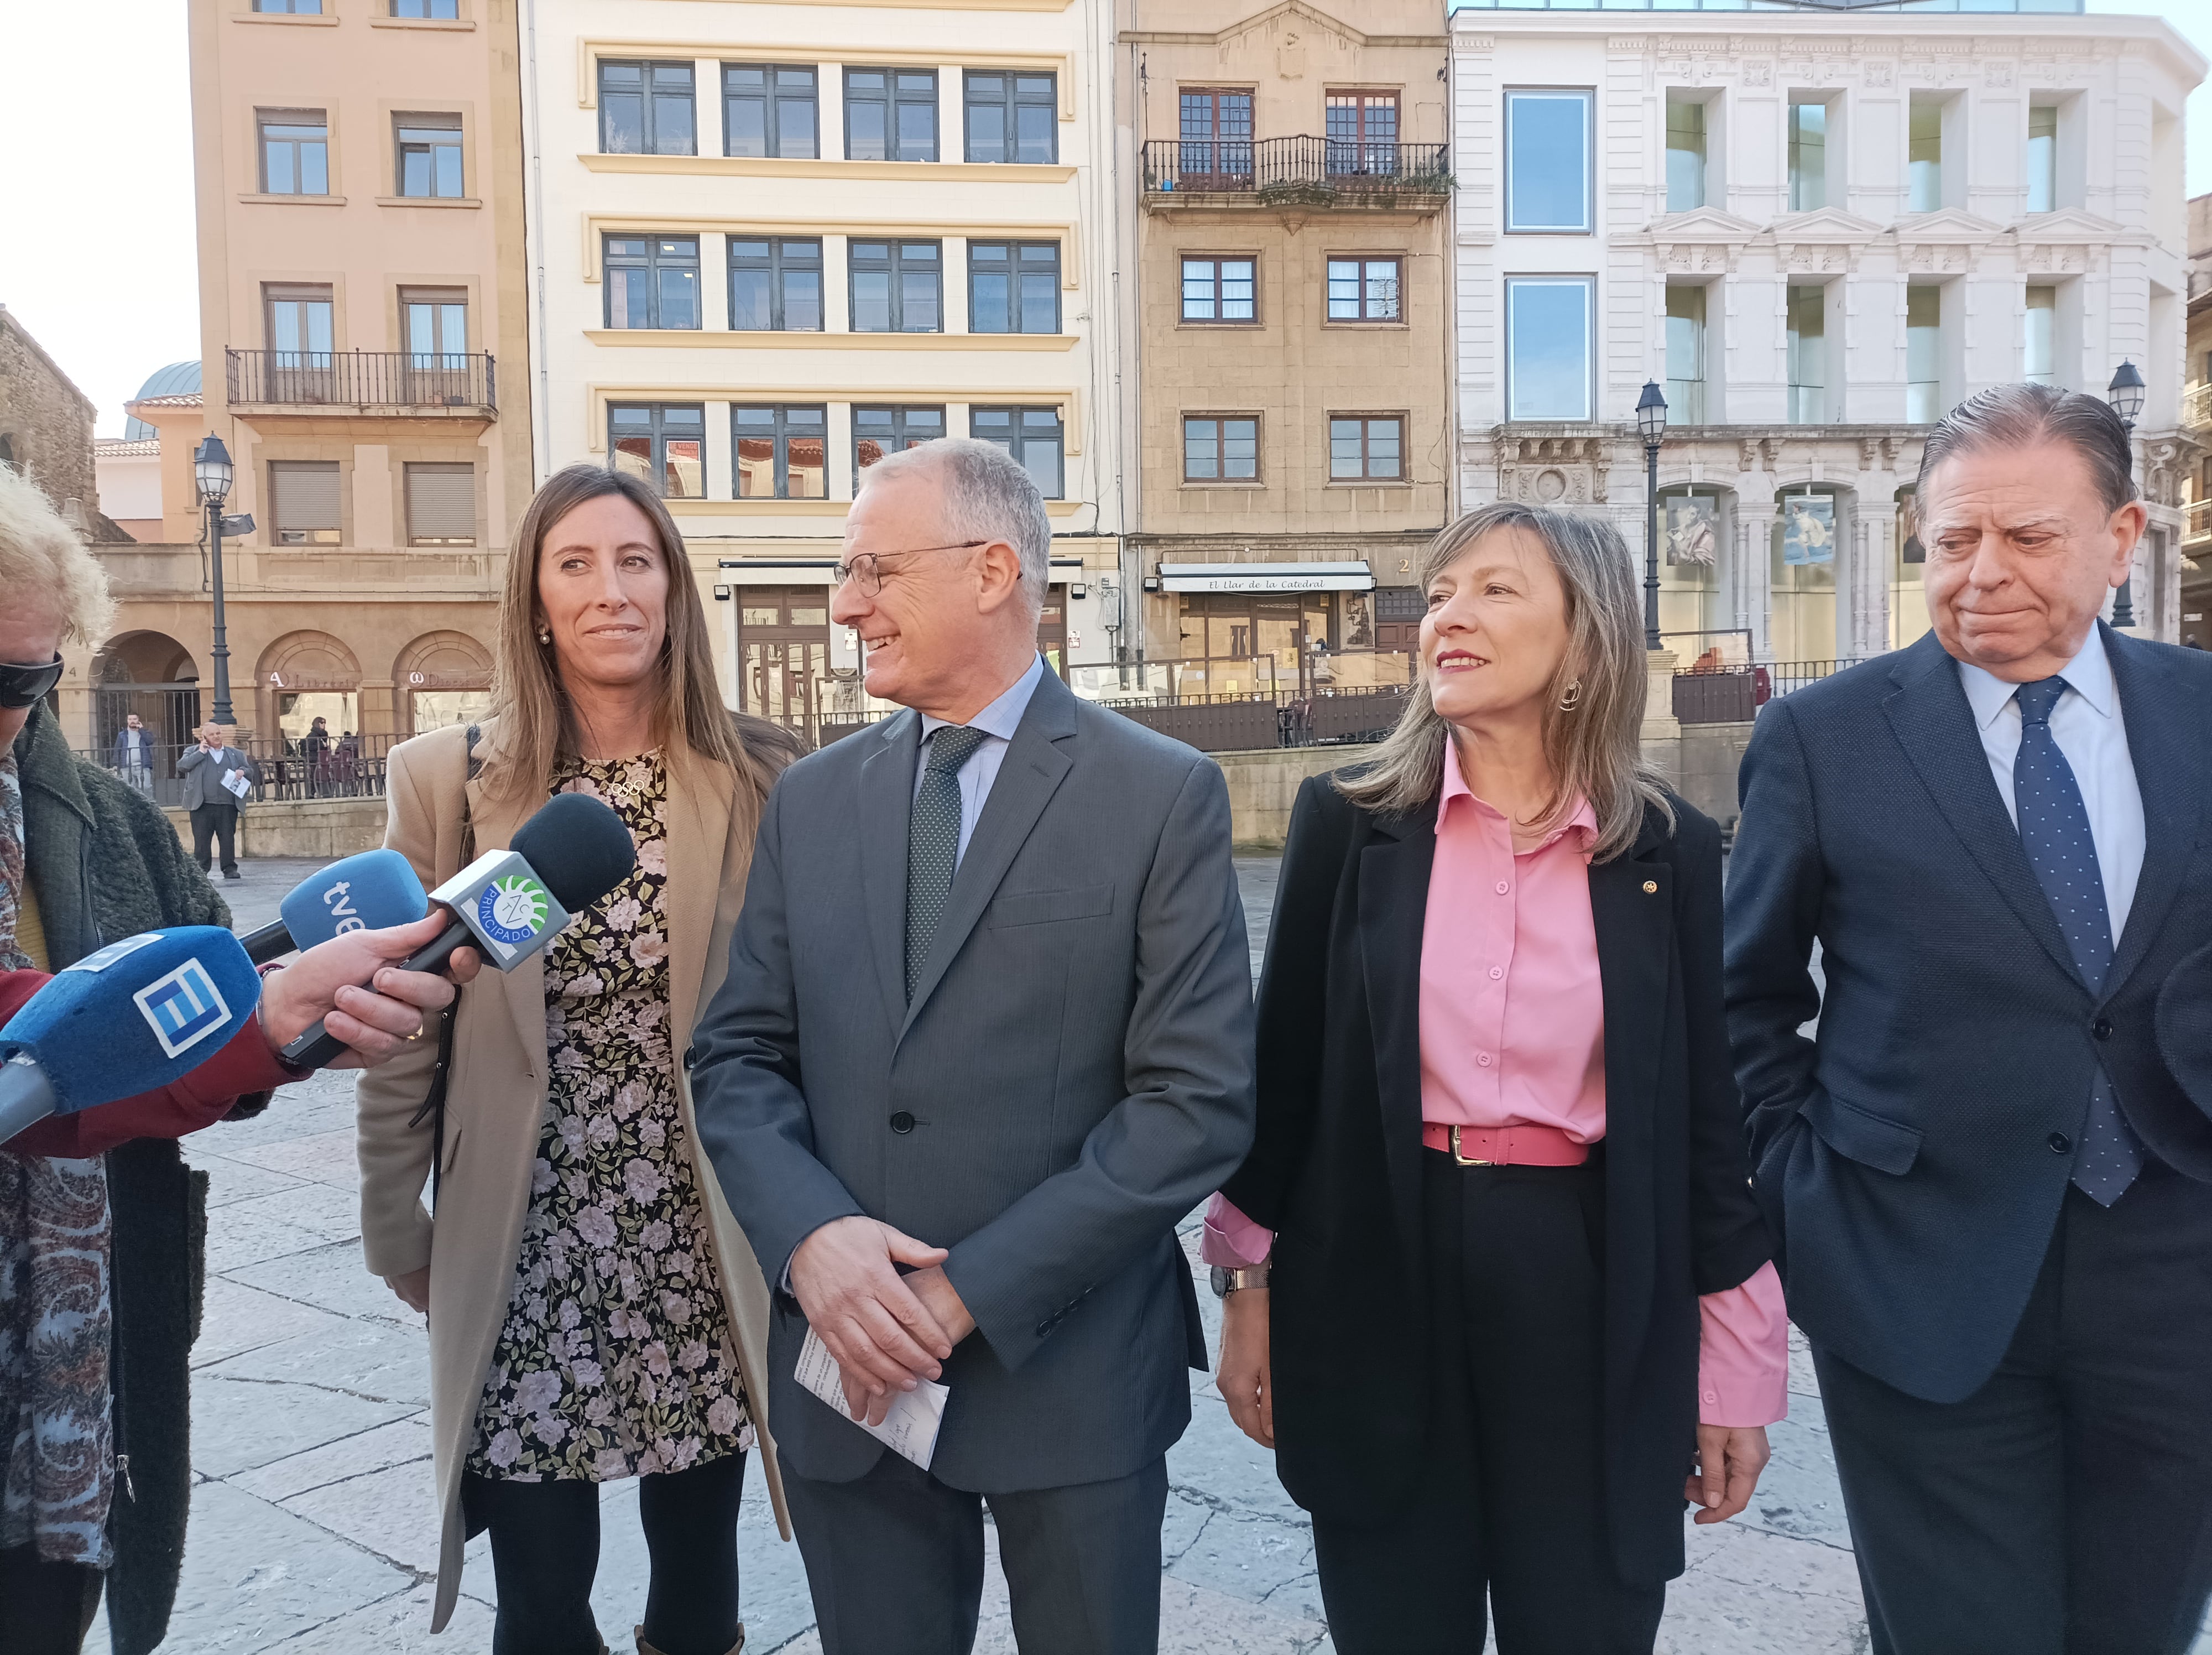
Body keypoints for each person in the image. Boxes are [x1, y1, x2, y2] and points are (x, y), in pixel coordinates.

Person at [690, 438, 1256, 1655]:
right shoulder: (812, 798)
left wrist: (961, 1293)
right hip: (849, 1376)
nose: (846, 604)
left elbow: (1192, 1104)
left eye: (873, 569)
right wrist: (814, 1243)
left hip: (1071, 1378)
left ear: (993, 569)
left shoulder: (1158, 793)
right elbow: (736, 1056)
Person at [1205, 503, 1783, 1654]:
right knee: (1393, 1616)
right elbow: (1283, 1093)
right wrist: (1245, 1295)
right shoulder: (1348, 822)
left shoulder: (1662, 845)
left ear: (1584, 637)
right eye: (1440, 591)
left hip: (1584, 1267)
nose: (1448, 616)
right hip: (1376, 1252)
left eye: (1495, 590)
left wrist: (1737, 1361)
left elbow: (1704, 1123)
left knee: (1581, 1618)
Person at [1726, 383, 2212, 1653]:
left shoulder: (2203, 715)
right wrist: (1802, 1194)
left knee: (2140, 1630)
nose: (1982, 572)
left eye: (2029, 537)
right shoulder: (1819, 738)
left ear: (2122, 538)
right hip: (1916, 1271)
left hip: (2179, 1274)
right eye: (1951, 540)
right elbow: (1745, 998)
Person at [0, 462, 473, 1655]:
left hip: (70, 1387)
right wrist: (247, 1028)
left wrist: (294, 1029)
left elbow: (210, 1001)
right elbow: (38, 1038)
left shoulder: (96, 816)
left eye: (23, 677)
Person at [353, 462, 804, 1655]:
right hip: (528, 1228)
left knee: (703, 1580)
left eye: (636, 560)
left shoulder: (761, 774)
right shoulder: (448, 781)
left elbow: (811, 1008)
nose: (610, 589)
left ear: (673, 590)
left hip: (700, 1224)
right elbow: (403, 1019)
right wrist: (396, 1217)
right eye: (576, 563)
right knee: (542, 1594)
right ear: (536, 598)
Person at [176, 722, 256, 880]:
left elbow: (250, 771)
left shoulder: (235, 754)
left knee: (227, 838)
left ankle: (229, 869)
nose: (217, 737)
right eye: (212, 734)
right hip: (202, 805)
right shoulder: (192, 751)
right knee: (202, 840)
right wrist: (201, 753)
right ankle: (201, 870)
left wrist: (242, 771)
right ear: (204, 737)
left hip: (227, 804)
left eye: (218, 733)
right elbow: (182, 766)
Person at [110, 714, 153, 795]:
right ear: (127, 721)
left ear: (138, 720)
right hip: (126, 767)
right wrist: (115, 764)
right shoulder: (122, 735)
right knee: (129, 791)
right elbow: (117, 750)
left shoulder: (145, 733)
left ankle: (148, 807)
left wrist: (141, 730)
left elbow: (150, 741)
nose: (132, 721)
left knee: (146, 788)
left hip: (143, 766)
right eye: (130, 719)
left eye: (134, 719)